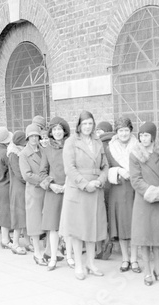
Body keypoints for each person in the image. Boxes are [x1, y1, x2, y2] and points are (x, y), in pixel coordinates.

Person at [60, 110, 108, 280]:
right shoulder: (71, 142)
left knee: (92, 228)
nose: (88, 127)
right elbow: (69, 168)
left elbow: (105, 166)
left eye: (90, 123)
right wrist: (85, 184)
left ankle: (91, 263)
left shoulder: (97, 142)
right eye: (84, 123)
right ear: (79, 125)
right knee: (77, 229)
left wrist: (100, 181)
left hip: (95, 189)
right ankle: (79, 265)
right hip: (78, 190)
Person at [130, 122, 159, 286]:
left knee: (157, 237)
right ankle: (147, 271)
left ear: (153, 136)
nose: (143, 138)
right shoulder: (135, 155)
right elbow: (135, 180)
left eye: (147, 135)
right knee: (145, 238)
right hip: (144, 201)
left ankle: (158, 270)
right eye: (141, 135)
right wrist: (151, 192)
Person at [106, 116, 140, 273]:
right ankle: (125, 258)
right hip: (118, 189)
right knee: (121, 225)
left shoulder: (138, 146)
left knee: (134, 224)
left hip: (134, 190)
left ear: (131, 131)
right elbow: (105, 168)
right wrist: (118, 170)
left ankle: (134, 259)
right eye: (120, 131)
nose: (124, 134)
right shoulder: (109, 148)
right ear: (116, 132)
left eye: (126, 130)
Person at [39, 116, 71, 270]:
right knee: (53, 227)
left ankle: (70, 257)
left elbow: (75, 168)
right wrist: (51, 185)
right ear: (51, 132)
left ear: (64, 131)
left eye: (60, 129)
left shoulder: (71, 147)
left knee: (70, 226)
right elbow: (42, 172)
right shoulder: (47, 150)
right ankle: (52, 257)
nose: (58, 132)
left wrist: (69, 185)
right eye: (55, 129)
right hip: (53, 193)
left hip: (69, 191)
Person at [20, 124, 47, 265]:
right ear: (27, 138)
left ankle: (49, 252)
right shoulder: (24, 154)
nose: (34, 138)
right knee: (35, 223)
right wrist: (44, 180)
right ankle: (37, 253)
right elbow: (27, 175)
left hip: (46, 191)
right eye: (31, 136)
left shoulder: (44, 151)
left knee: (49, 221)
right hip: (34, 192)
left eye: (36, 136)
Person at [95, 120, 114, 260]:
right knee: (110, 216)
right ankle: (110, 242)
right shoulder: (114, 144)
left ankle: (100, 247)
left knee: (100, 217)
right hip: (113, 185)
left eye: (99, 130)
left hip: (101, 184)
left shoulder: (99, 145)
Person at [7, 131, 28, 254]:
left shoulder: (18, 152)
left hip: (22, 187)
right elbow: (19, 174)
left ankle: (27, 242)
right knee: (19, 216)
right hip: (18, 188)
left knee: (24, 216)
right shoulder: (14, 155)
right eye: (23, 144)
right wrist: (28, 178)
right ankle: (15, 243)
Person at [0, 127, 14, 249]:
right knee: (6, 213)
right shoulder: (5, 153)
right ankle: (5, 240)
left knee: (2, 212)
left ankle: (5, 238)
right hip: (6, 184)